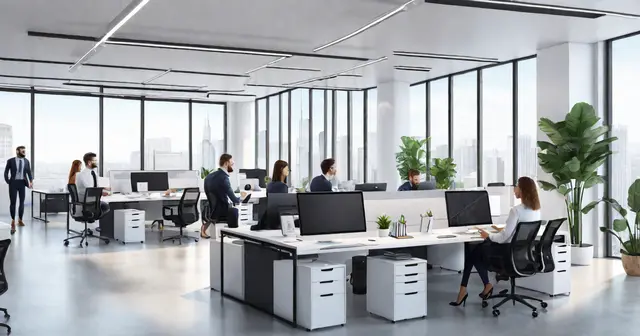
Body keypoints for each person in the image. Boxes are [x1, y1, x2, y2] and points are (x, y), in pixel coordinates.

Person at [450, 176, 541, 307]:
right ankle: (485, 285)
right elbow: (517, 233)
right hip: (522, 254)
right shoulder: (536, 210)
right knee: (474, 252)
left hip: (507, 253)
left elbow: (504, 237)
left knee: (473, 252)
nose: (514, 189)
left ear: (522, 190)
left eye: (516, 186)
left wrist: (488, 235)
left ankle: (470, 289)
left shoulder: (515, 211)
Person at [203, 154, 247, 238]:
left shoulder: (209, 176)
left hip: (213, 210)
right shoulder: (224, 178)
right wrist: (242, 197)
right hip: (222, 210)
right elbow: (234, 200)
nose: (233, 166)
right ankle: (236, 236)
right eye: (232, 163)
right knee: (236, 210)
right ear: (226, 164)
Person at [4, 146, 33, 233]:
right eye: (22, 151)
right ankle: (13, 220)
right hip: (13, 183)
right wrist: (8, 181)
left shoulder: (26, 161)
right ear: (17, 151)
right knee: (13, 202)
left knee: (21, 202)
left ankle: (20, 220)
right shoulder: (10, 161)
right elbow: (6, 171)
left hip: (22, 183)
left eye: (24, 151)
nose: (24, 152)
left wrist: (31, 181)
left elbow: (29, 172)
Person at [75, 152, 110, 217]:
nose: (96, 162)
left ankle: (93, 216)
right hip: (86, 202)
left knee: (105, 206)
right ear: (89, 162)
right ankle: (91, 215)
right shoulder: (83, 175)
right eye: (95, 161)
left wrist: (103, 190)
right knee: (105, 206)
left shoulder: (94, 173)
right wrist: (101, 192)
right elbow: (90, 189)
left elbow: (96, 186)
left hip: (93, 200)